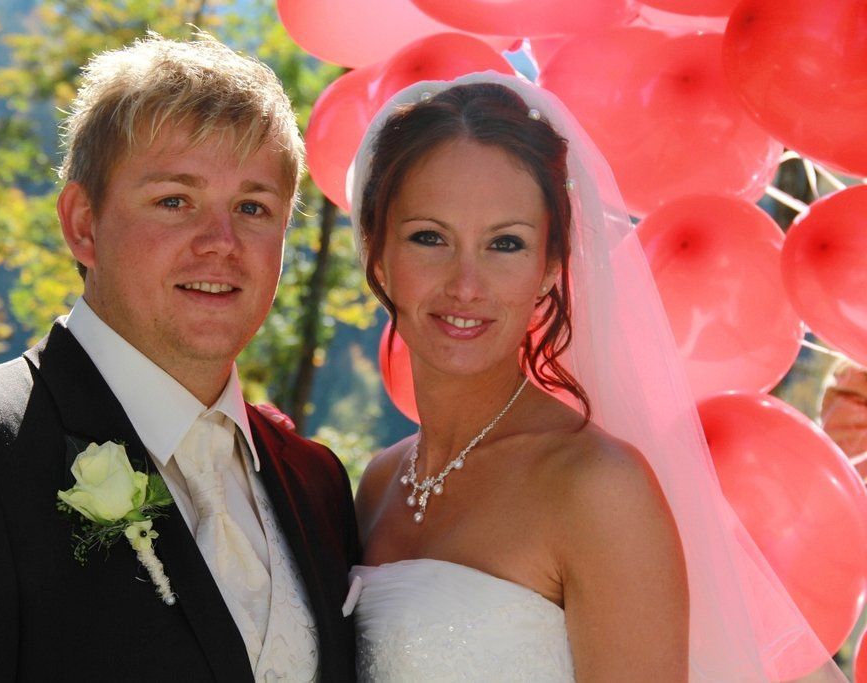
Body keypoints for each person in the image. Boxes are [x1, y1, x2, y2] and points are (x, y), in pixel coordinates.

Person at [0, 33, 357, 681]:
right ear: (83, 224)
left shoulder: (316, 481)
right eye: (175, 200)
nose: (221, 242)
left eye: (253, 207)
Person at [343, 72, 846, 682]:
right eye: (429, 237)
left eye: (505, 244)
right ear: (378, 252)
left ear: (550, 268)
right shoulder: (378, 485)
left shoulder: (597, 486)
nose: (466, 286)